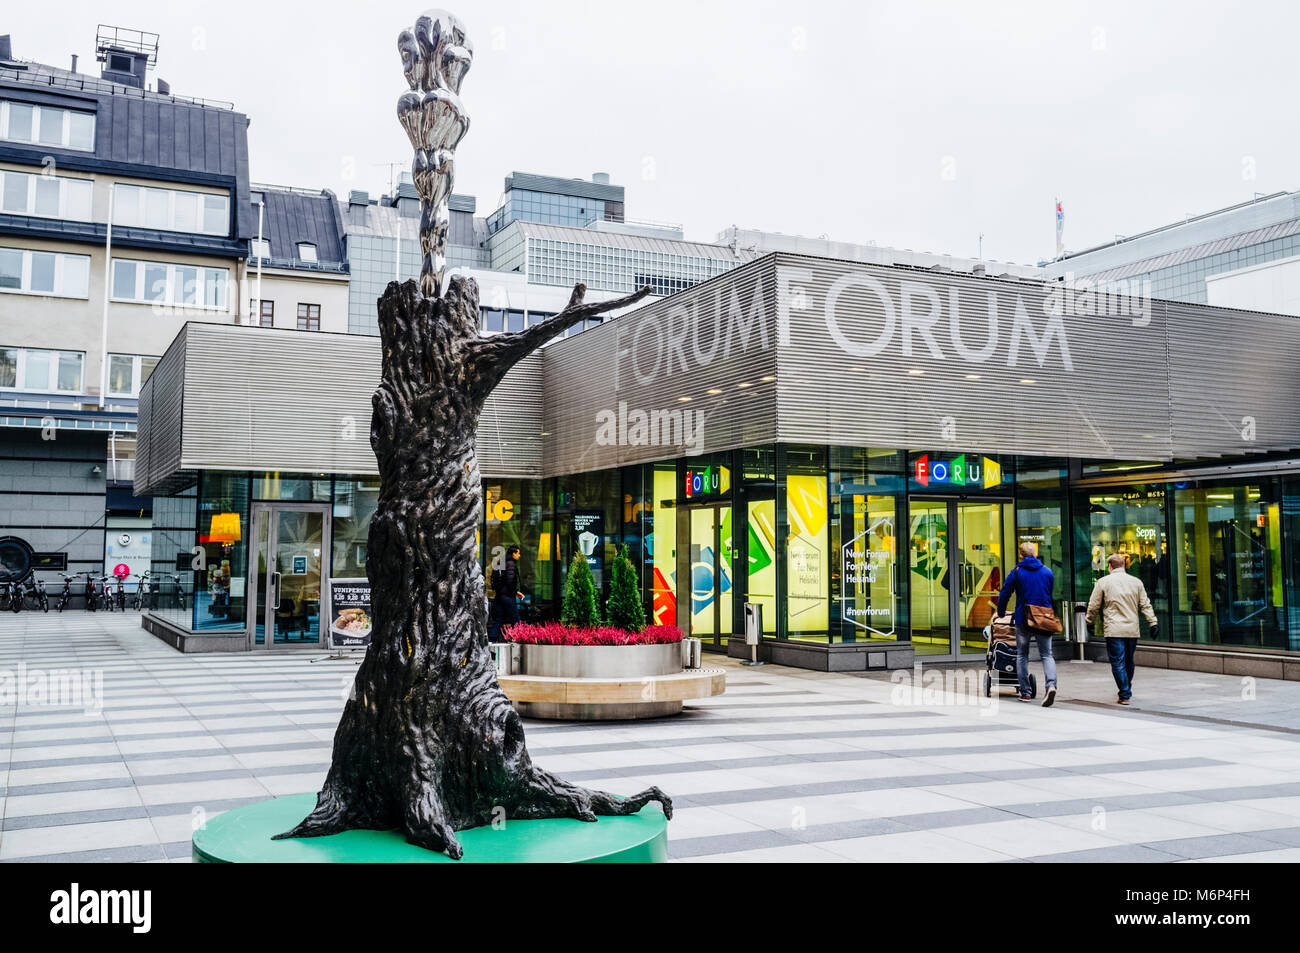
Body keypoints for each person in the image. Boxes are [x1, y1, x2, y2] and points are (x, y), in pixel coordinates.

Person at [1085, 552, 1158, 706]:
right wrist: (1153, 623)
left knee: (1117, 662)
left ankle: (1125, 693)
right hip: (1132, 629)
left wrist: (1089, 622)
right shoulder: (1136, 582)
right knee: (1129, 661)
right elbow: (1145, 604)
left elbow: (1093, 605)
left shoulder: (1103, 582)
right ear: (1124, 565)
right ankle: (1126, 689)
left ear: (1109, 566)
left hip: (1113, 629)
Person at [996, 541, 1058, 706]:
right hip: (1043, 619)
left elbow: (1005, 593)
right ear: (1035, 554)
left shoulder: (1016, 572)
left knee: (1022, 655)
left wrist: (1001, 612)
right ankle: (1051, 685)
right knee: (1047, 654)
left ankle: (1026, 692)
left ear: (1021, 555)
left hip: (1023, 619)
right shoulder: (1047, 572)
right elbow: (1050, 593)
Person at [488, 545, 524, 642]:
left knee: (498, 619)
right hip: (507, 596)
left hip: (499, 595)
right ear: (513, 554)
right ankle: (521, 639)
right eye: (518, 553)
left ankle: (492, 640)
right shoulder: (511, 564)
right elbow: (510, 581)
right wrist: (516, 592)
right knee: (516, 619)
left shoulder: (502, 563)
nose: (519, 555)